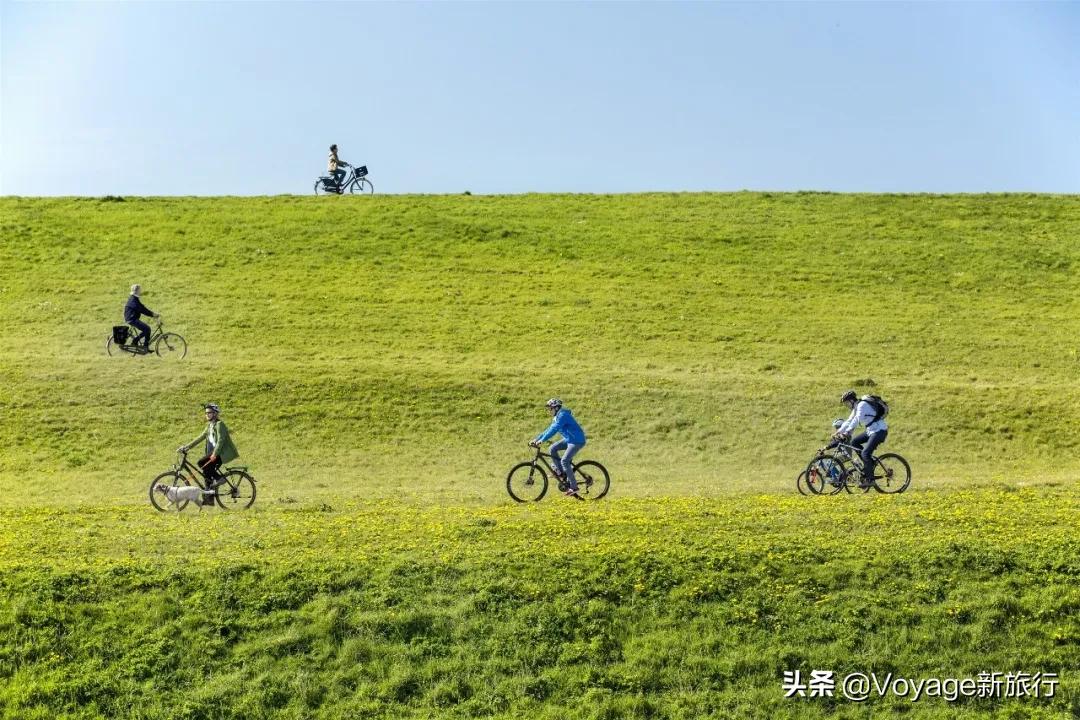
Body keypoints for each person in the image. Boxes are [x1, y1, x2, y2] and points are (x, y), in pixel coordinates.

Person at [529, 398, 587, 498]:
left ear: (556, 408)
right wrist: (537, 439)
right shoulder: (557, 417)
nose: (549, 411)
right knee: (552, 448)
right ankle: (561, 473)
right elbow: (549, 429)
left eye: (550, 408)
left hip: (577, 440)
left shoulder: (563, 415)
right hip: (569, 439)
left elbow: (554, 429)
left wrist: (542, 440)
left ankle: (574, 487)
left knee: (564, 461)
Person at [178, 403, 239, 496]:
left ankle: (220, 479)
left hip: (220, 453)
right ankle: (208, 497)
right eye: (206, 413)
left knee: (201, 463)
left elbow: (221, 441)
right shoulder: (210, 426)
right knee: (206, 473)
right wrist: (186, 447)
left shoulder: (219, 424)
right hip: (214, 453)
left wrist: (214, 454)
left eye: (209, 413)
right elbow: (200, 438)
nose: (207, 414)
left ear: (215, 414)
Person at [832, 390, 889, 489]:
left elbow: (856, 420)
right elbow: (849, 421)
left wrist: (846, 432)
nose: (847, 405)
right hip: (871, 430)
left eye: (847, 403)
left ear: (851, 400)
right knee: (854, 442)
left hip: (879, 431)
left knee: (865, 453)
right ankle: (869, 464)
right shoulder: (856, 407)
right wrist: (838, 432)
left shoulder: (862, 405)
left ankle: (870, 480)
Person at [124, 284, 158, 352]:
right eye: (140, 290)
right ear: (136, 291)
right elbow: (142, 310)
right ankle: (137, 342)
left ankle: (145, 347)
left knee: (147, 329)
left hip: (131, 318)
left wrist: (152, 314)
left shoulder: (134, 298)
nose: (141, 291)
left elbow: (142, 307)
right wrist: (152, 314)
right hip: (132, 319)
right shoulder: (133, 300)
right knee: (147, 329)